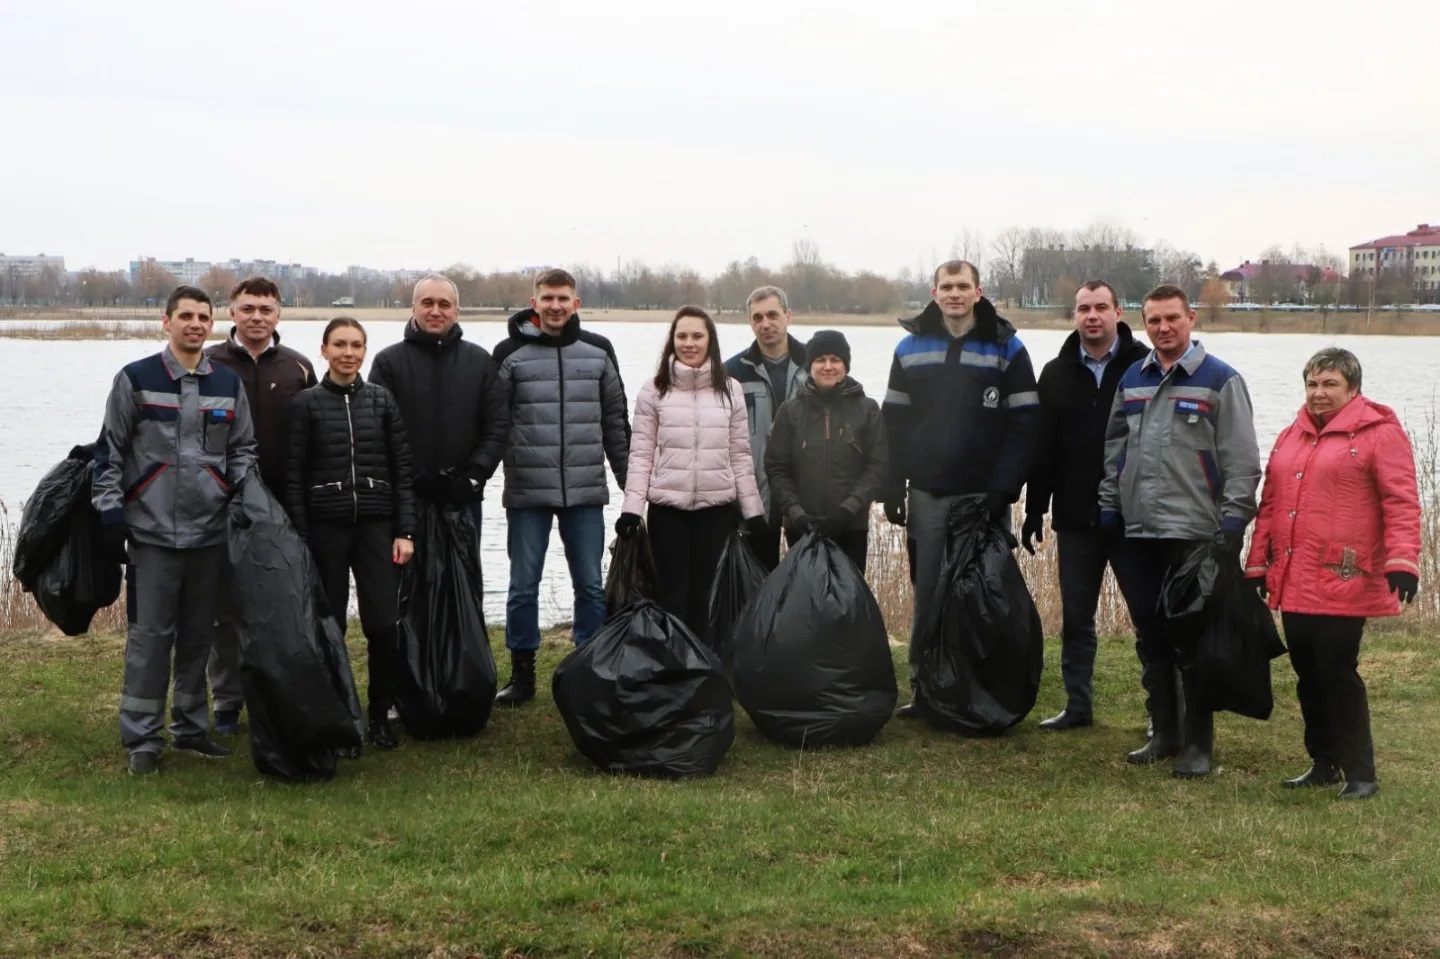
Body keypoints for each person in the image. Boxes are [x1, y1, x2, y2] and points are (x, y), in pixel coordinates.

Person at [92, 286, 257, 775]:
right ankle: (142, 738)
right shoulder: (136, 379)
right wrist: (110, 513)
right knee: (150, 639)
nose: (195, 324)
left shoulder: (227, 383)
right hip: (152, 533)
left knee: (198, 638)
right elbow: (109, 451)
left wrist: (241, 496)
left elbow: (243, 450)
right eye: (186, 316)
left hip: (210, 534)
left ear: (212, 324)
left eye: (203, 317)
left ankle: (190, 728)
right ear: (166, 322)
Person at [1098, 283, 1261, 778]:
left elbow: (1242, 462)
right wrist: (1109, 507)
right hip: (1137, 530)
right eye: (1154, 320)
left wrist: (1233, 523)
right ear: (1142, 324)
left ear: (1191, 318)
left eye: (1172, 318)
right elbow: (1114, 450)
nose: (1163, 328)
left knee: (1192, 639)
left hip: (1195, 532)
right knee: (1151, 634)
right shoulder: (1132, 378)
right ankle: (1164, 732)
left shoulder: (1221, 380)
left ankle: (1198, 744)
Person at [1244, 348, 1419, 800]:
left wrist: (1403, 560)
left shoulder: (1381, 433)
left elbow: (1400, 501)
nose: (1319, 393)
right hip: (1294, 574)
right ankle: (1323, 762)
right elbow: (1269, 504)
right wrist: (1257, 562)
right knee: (1307, 672)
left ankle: (1361, 772)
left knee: (1337, 670)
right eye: (1312, 384)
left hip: (1345, 574)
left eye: (1330, 384)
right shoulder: (1292, 434)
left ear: (1353, 388)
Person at [881, 260, 1041, 718]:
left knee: (981, 593)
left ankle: (981, 688)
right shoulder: (909, 348)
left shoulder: (1007, 347)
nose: (955, 293)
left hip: (985, 497)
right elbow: (893, 424)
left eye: (963, 286)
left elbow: (1025, 425)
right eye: (947, 286)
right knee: (929, 593)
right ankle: (925, 688)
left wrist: (1004, 489)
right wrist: (892, 484)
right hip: (928, 495)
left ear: (978, 292)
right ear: (934, 293)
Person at [491, 268, 630, 707]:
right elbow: (494, 423)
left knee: (589, 584)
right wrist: (477, 476)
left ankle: (588, 670)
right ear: (534, 302)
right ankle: (522, 675)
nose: (555, 306)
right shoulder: (508, 353)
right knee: (522, 586)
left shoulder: (599, 351)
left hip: (585, 492)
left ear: (576, 303)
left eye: (563, 298)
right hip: (527, 492)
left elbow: (615, 423)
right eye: (547, 298)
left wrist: (631, 486)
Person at [1023, 280, 1151, 731]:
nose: (1092, 316)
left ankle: (1160, 712)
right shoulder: (1056, 373)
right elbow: (1043, 446)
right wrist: (1035, 508)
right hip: (1076, 516)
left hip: (1134, 517)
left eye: (1100, 307)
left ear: (1118, 312)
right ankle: (1078, 706)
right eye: (1083, 308)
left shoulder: (1144, 366)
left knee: (1148, 617)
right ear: (1074, 315)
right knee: (1076, 618)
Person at [285, 318, 416, 751]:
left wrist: (405, 530)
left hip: (377, 526)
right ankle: (338, 716)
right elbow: (294, 476)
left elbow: (401, 468)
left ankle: (380, 715)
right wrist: (300, 535)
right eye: (339, 344)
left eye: (356, 345)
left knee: (383, 625)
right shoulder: (306, 404)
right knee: (331, 626)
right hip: (326, 527)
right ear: (323, 350)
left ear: (364, 351)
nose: (348, 353)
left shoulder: (382, 400)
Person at [203, 275, 317, 736]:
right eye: (247, 308)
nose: (256, 317)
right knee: (224, 609)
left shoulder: (299, 367)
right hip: (222, 502)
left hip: (284, 503)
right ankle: (227, 701)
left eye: (265, 309)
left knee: (282, 604)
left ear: (278, 314)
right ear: (231, 312)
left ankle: (278, 695)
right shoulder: (209, 364)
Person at [618, 306, 765, 637]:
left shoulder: (730, 390)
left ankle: (704, 661)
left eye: (697, 336)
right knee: (673, 594)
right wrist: (631, 510)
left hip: (716, 510)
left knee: (706, 595)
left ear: (710, 340)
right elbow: (641, 455)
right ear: (672, 340)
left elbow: (740, 455)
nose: (689, 343)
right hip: (668, 510)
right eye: (681, 336)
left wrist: (753, 511)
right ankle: (675, 661)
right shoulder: (654, 390)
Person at [369, 273, 509, 531]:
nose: (435, 311)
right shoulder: (388, 362)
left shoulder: (479, 361)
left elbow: (498, 425)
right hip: (405, 499)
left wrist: (475, 476)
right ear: (413, 308)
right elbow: (377, 430)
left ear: (456, 311)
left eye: (444, 304)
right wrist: (404, 478)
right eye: (427, 303)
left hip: (463, 497)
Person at [764, 330, 888, 572]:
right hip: (801, 528)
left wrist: (847, 510)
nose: (828, 366)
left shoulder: (867, 409)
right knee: (805, 593)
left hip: (851, 526)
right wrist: (796, 514)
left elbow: (877, 466)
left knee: (848, 595)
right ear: (810, 366)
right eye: (820, 360)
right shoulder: (790, 411)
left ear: (846, 366)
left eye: (835, 359)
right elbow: (776, 468)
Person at [723, 286, 808, 569]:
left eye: (772, 315)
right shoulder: (732, 372)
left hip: (804, 494)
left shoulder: (815, 366)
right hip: (755, 495)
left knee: (807, 581)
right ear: (750, 322)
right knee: (757, 584)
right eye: (757, 317)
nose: (765, 323)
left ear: (788, 316)